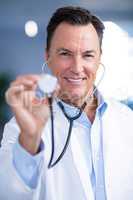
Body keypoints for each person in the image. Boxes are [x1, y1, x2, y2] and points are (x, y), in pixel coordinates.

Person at [0, 6, 133, 200]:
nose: (77, 68)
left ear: (99, 58)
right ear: (48, 56)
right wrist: (30, 140)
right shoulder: (21, 130)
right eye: (65, 53)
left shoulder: (128, 120)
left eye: (88, 55)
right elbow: (7, 194)